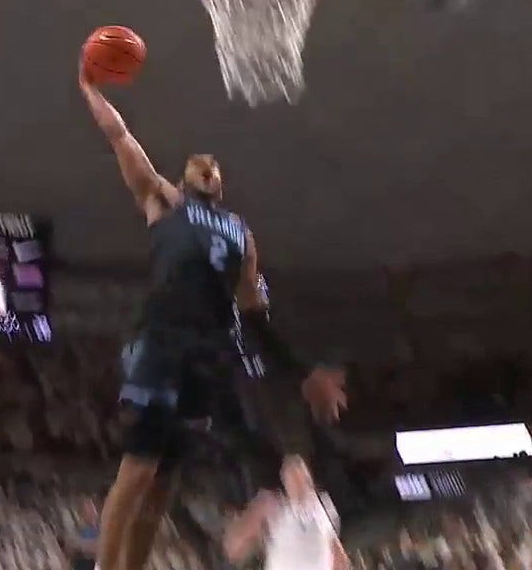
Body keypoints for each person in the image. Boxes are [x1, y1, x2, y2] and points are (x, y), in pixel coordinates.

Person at [78, 63, 348, 570]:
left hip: (200, 362)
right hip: (165, 350)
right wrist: (89, 89)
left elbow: (257, 317)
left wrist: (305, 371)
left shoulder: (225, 228)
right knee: (138, 471)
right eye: (201, 164)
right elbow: (120, 136)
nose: (206, 166)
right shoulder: (181, 209)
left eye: (210, 165)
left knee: (159, 484)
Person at [222, 456, 348, 570]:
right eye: (292, 475)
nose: (297, 479)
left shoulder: (322, 508)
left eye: (301, 475)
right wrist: (256, 513)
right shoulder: (275, 509)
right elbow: (233, 547)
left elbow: (340, 558)